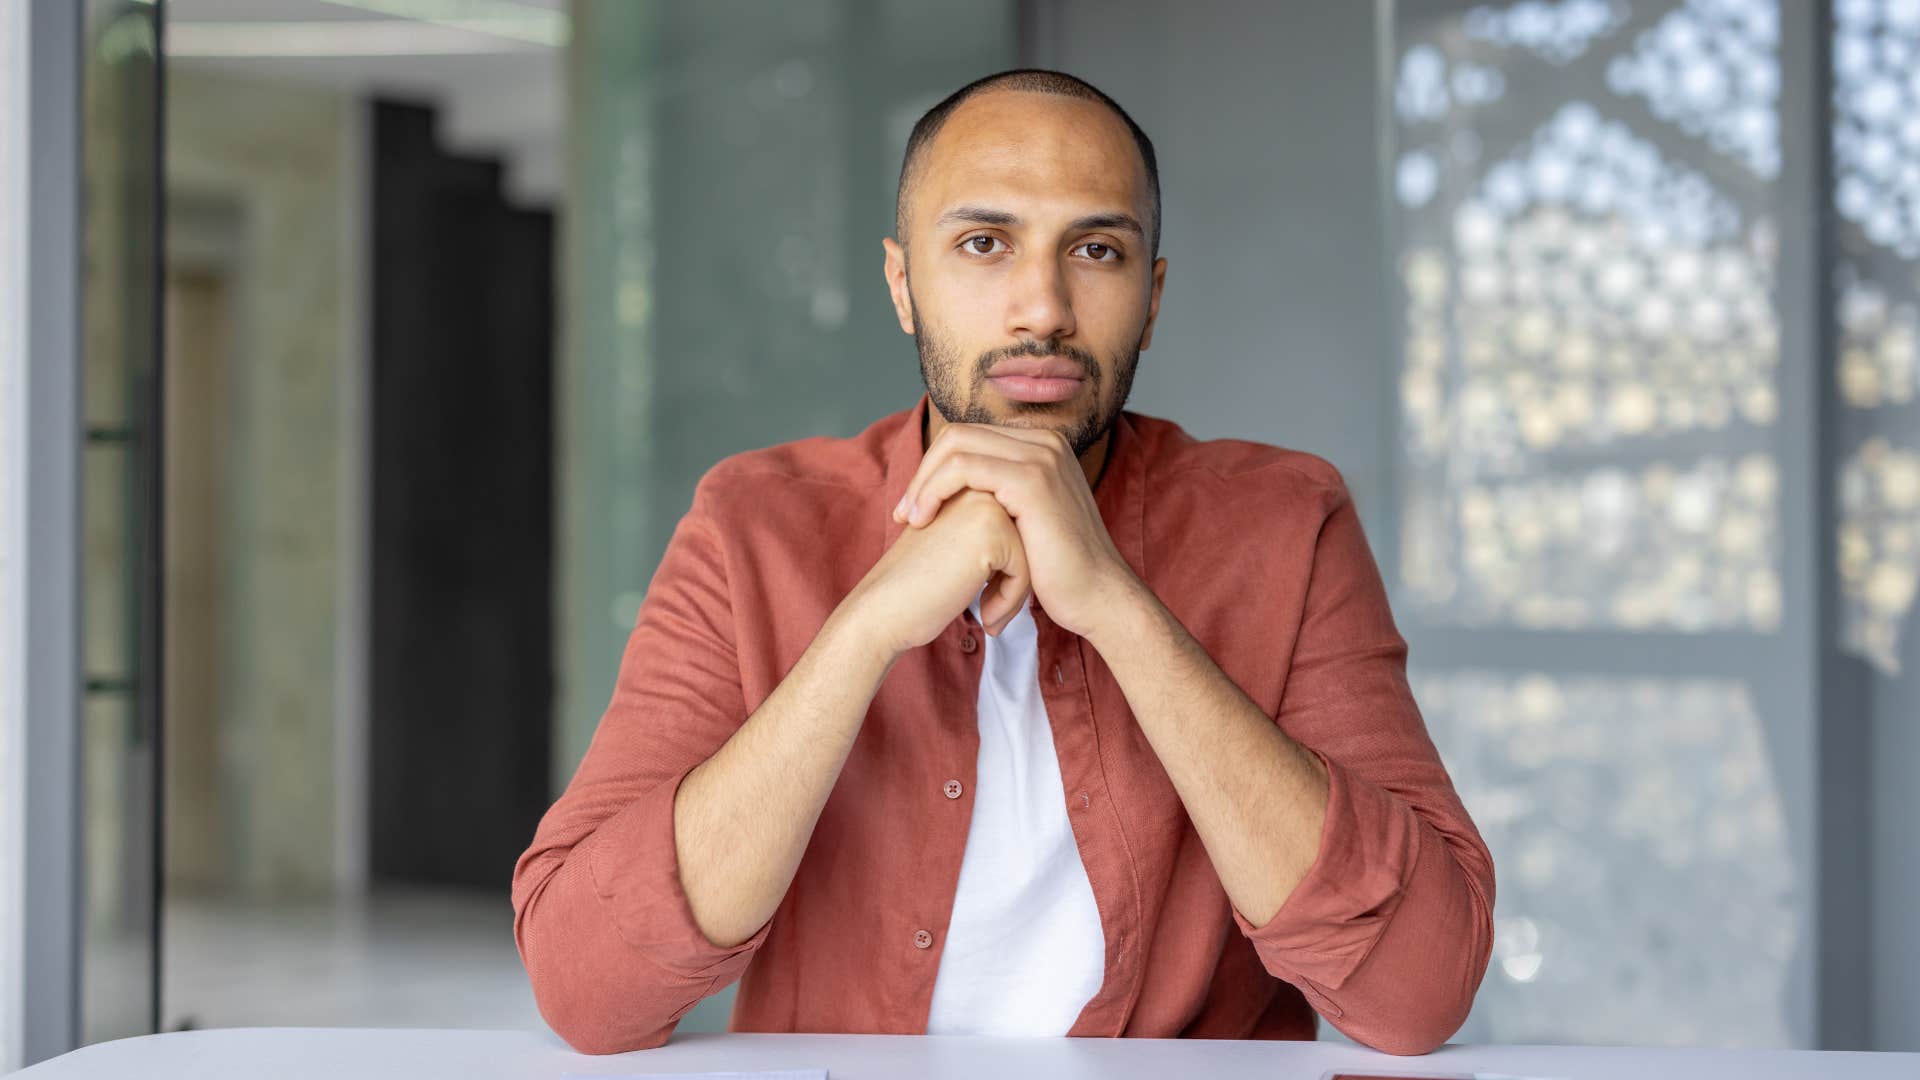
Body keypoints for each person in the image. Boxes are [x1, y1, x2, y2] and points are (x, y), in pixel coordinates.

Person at [512, 68, 1494, 1057]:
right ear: (904, 285)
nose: (1043, 308)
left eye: (1097, 249)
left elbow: (1417, 991)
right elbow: (588, 989)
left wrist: (1115, 603)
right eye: (984, 243)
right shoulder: (751, 526)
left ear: (1151, 299)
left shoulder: (1286, 523)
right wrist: (862, 632)